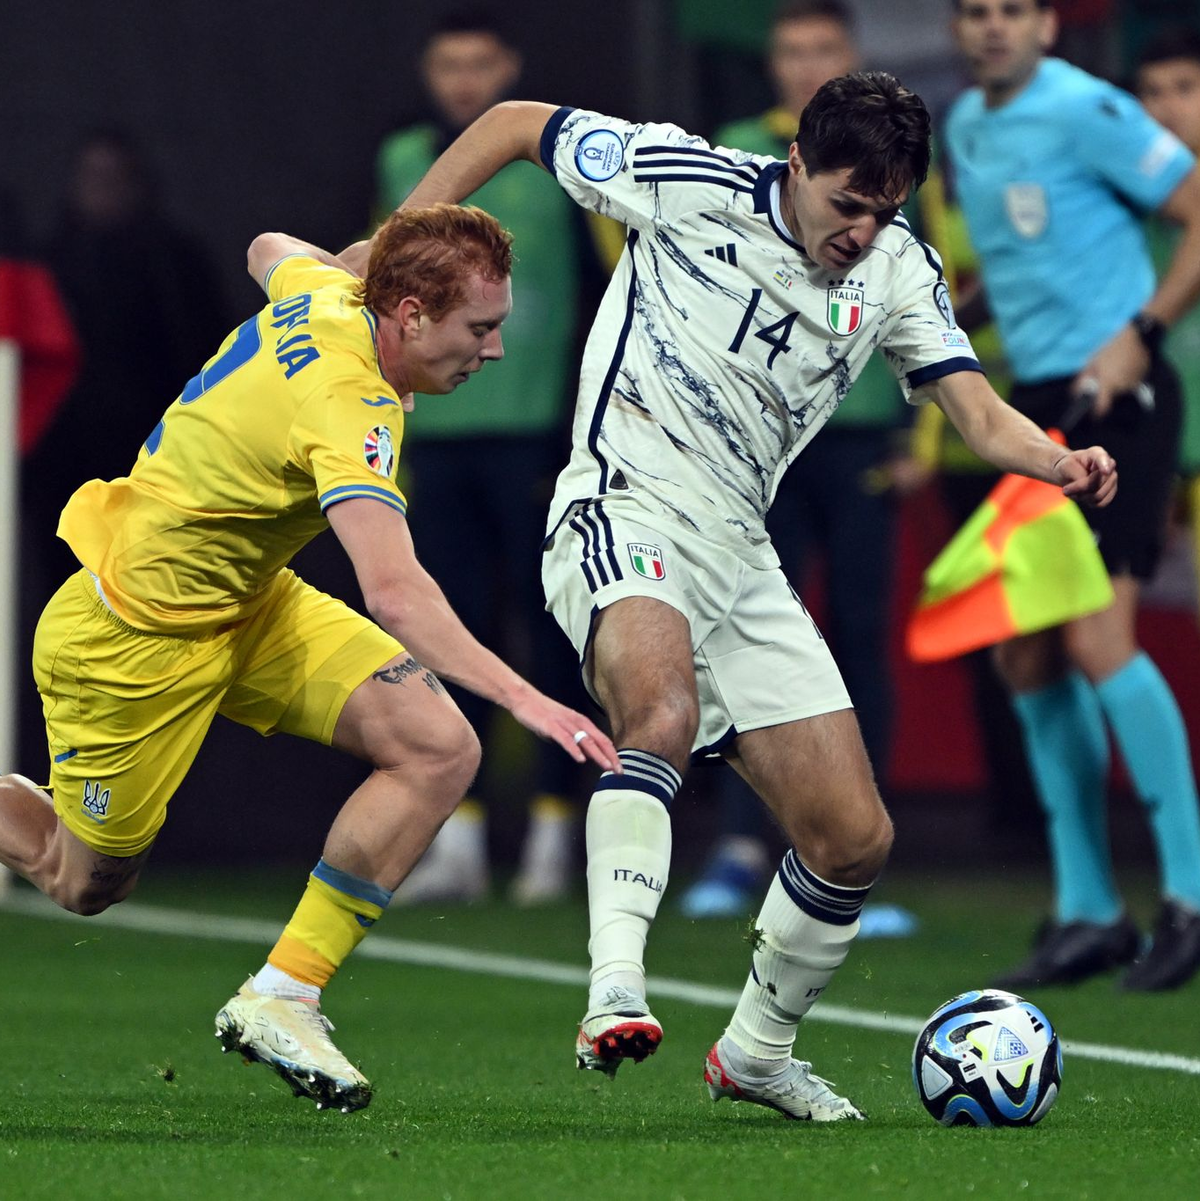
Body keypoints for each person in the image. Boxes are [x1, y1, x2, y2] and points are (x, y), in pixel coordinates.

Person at [346, 71, 1116, 1120]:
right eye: (847, 202)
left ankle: (756, 1051)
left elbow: (976, 412)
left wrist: (1055, 460)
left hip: (739, 553)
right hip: (622, 504)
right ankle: (614, 985)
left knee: (854, 837)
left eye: (884, 209)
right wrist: (392, 245)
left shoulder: (899, 270)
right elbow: (517, 123)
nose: (862, 230)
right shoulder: (686, 178)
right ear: (796, 162)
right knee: (659, 709)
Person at [0, 203, 618, 1113]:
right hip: (133, 637)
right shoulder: (351, 402)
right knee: (85, 881)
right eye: (480, 328)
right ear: (409, 316)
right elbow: (397, 593)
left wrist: (384, 253)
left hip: (251, 603)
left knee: (439, 746)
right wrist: (532, 698)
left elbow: (266, 248)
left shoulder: (328, 289)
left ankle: (283, 994)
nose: (491, 349)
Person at [946, 0, 1200, 990]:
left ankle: (1186, 895)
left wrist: (1142, 326)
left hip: (1122, 398)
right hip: (1038, 407)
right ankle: (1091, 908)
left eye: (1012, 10)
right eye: (974, 11)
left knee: (1098, 637)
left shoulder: (1089, 108)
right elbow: (1022, 262)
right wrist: (952, 314)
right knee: (1024, 652)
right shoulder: (967, 124)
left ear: (1047, 25)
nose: (991, 27)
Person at [681, 0, 919, 920]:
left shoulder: (897, 164)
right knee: (741, 641)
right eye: (791, 50)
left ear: (851, 57)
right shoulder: (736, 150)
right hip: (759, 445)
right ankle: (741, 845)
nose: (805, 63)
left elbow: (932, 293)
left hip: (860, 436)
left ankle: (852, 852)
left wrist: (920, 439)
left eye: (823, 48)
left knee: (857, 637)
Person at [374, 12, 610, 906]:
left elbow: (601, 297)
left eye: (481, 64)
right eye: (449, 64)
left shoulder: (559, 165)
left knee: (554, 628)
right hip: (436, 437)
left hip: (539, 440)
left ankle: (557, 831)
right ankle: (460, 836)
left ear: (510, 66)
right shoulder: (403, 163)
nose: (465, 81)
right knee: (448, 628)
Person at [1137, 26, 1200, 612]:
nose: (1166, 107)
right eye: (1151, 92)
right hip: (1159, 450)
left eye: (1185, 88)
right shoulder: (1128, 210)